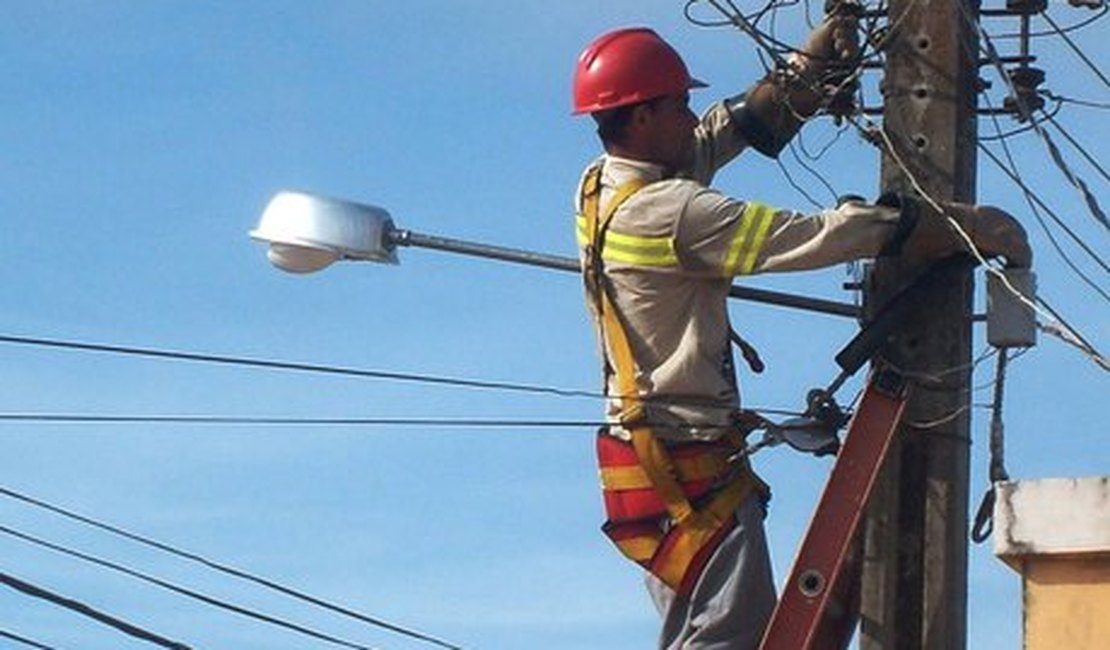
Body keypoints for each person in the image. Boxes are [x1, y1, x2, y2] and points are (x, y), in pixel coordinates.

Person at [570, 19, 1031, 650]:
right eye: (679, 103)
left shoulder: (602, 188)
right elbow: (819, 236)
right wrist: (955, 225)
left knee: (705, 631)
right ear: (643, 118)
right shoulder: (672, 214)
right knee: (732, 638)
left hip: (646, 468)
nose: (690, 113)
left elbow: (711, 138)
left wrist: (803, 72)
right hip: (686, 463)